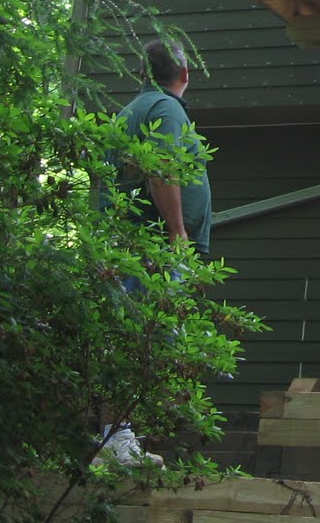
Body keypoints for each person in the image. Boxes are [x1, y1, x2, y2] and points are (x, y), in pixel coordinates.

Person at [97, 39, 213, 468]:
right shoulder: (166, 110)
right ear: (185, 74)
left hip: (128, 241)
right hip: (149, 245)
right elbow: (161, 167)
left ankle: (118, 437)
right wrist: (178, 231)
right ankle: (115, 440)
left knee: (135, 338)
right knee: (142, 340)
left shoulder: (131, 110)